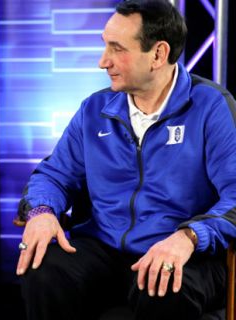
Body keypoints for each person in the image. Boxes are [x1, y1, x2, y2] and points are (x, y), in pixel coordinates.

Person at [16, 0, 236, 319]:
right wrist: (41, 212)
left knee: (162, 284)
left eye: (117, 48)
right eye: (105, 45)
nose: (103, 61)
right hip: (104, 248)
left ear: (158, 54)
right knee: (44, 269)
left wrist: (189, 236)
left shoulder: (211, 107)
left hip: (181, 250)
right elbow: (52, 175)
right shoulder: (95, 109)